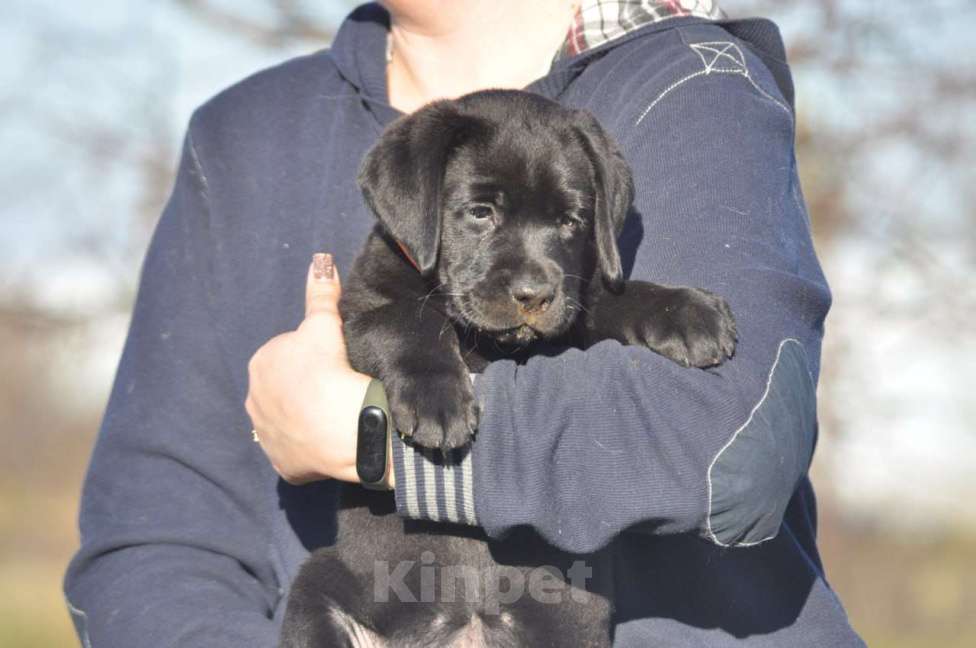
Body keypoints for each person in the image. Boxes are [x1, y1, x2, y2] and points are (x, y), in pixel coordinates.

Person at [64, 1, 866, 646]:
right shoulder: (244, 138)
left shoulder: (693, 81)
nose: (527, 273)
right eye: (480, 212)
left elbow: (730, 443)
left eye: (564, 224)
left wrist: (358, 432)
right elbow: (155, 540)